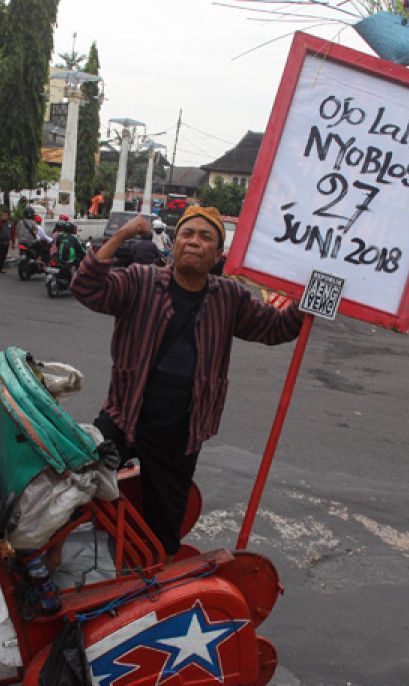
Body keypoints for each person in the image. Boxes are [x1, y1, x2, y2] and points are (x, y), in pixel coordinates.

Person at [71, 206, 304, 556]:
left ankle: (151, 583)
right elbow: (87, 287)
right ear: (174, 243)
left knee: (165, 524)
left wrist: (308, 301)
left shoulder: (229, 298)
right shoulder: (140, 280)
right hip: (124, 415)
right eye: (187, 234)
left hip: (182, 432)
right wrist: (121, 235)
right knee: (76, 486)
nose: (195, 241)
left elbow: (276, 328)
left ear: (218, 254)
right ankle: (43, 565)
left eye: (206, 237)